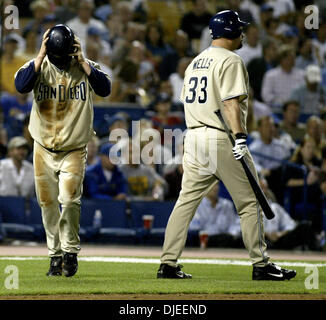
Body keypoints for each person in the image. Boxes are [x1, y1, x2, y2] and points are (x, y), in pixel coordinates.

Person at [157, 10, 296, 281]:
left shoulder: (195, 61)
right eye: (240, 29)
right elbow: (231, 103)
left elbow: (188, 101)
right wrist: (241, 137)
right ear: (230, 31)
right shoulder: (231, 60)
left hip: (194, 136)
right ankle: (260, 264)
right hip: (221, 136)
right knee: (250, 202)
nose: (243, 33)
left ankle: (168, 264)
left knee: (185, 203)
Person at [14, 25, 111, 277]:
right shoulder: (37, 65)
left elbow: (105, 89)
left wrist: (84, 62)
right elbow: (21, 86)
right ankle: (55, 256)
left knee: (69, 200)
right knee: (47, 203)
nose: (61, 60)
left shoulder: (85, 66)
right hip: (42, 147)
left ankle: (70, 250)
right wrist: (39, 55)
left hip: (74, 148)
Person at [189, 182, 242, 248]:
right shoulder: (197, 205)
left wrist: (231, 235)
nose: (215, 188)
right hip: (205, 242)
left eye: (216, 184)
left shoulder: (227, 204)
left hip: (225, 242)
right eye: (211, 184)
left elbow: (235, 225)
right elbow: (193, 227)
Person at [261, 45, 305, 113]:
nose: (293, 60)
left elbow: (303, 93)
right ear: (282, 59)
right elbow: (266, 95)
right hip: (276, 111)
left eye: (293, 58)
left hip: (296, 111)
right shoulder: (270, 75)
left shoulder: (302, 75)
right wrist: (280, 102)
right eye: (290, 58)